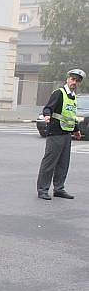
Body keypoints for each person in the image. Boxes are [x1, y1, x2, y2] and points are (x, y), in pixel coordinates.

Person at [36, 68, 85, 200]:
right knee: (49, 163)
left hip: (67, 134)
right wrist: (47, 115)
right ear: (68, 79)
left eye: (77, 81)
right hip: (55, 133)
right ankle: (43, 189)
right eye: (73, 79)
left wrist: (76, 130)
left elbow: (71, 115)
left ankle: (59, 189)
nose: (74, 82)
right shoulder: (59, 93)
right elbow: (48, 108)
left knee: (63, 164)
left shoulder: (73, 97)